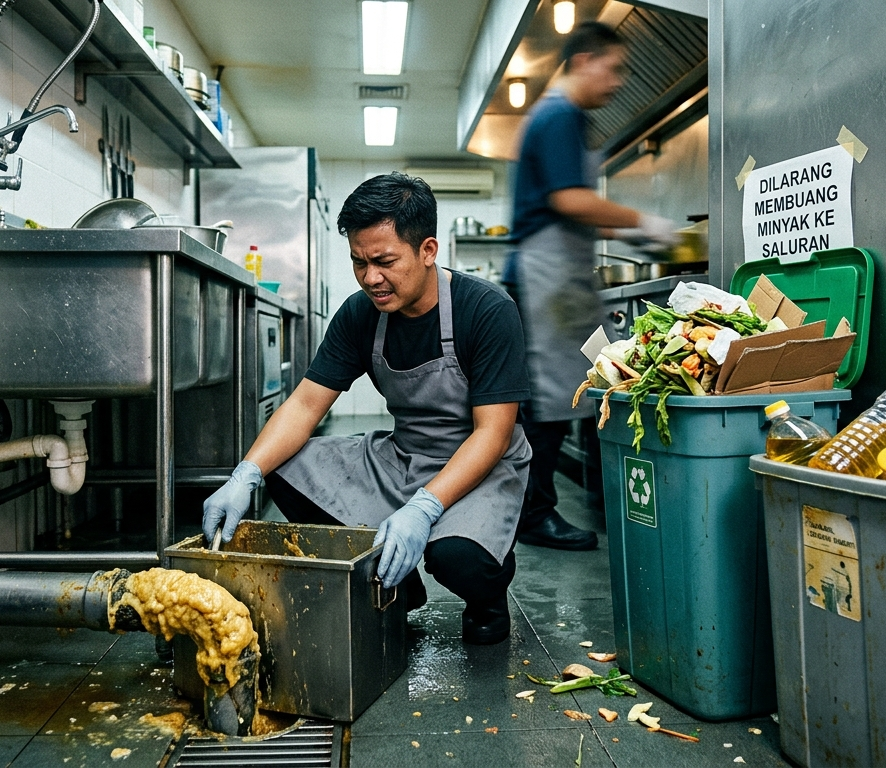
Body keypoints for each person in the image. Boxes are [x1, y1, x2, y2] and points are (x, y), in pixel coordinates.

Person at [201, 173, 532, 645]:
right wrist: (245, 474)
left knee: (457, 557)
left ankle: (487, 595)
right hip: (403, 456)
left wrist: (424, 508)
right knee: (286, 466)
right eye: (359, 262)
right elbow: (305, 404)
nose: (371, 278)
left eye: (385, 261)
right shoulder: (360, 314)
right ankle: (395, 586)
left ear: (428, 251)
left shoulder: (486, 309)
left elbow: (494, 433)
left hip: (482, 462)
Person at [506, 21, 677, 551]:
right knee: (548, 398)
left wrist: (630, 231)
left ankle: (589, 500)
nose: (619, 81)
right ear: (584, 61)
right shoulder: (557, 115)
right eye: (615, 67)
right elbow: (568, 200)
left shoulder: (567, 119)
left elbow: (577, 210)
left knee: (573, 388)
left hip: (559, 278)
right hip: (545, 278)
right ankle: (533, 515)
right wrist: (642, 221)